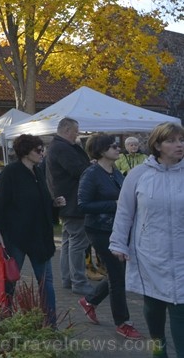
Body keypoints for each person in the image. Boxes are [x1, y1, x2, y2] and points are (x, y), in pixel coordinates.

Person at [110, 122, 184, 357]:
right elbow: (124, 211)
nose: (179, 145)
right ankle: (158, 348)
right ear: (158, 145)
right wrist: (118, 243)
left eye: (181, 139)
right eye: (172, 140)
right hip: (151, 252)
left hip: (182, 253)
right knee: (154, 306)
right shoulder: (139, 174)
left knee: (180, 306)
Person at [0, 134, 64, 327]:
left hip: (39, 236)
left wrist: (54, 204)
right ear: (25, 152)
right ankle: (3, 321)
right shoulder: (10, 173)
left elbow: (40, 201)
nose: (42, 153)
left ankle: (51, 324)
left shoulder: (38, 172)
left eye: (43, 149)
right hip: (16, 236)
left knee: (46, 282)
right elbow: (0, 203)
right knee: (10, 281)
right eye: (38, 150)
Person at [76, 134, 143, 340]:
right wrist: (114, 205)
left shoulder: (115, 172)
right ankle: (122, 322)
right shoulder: (91, 173)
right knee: (117, 276)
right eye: (112, 146)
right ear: (101, 150)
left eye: (116, 145)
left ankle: (90, 301)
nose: (118, 148)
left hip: (118, 229)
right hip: (99, 230)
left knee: (119, 273)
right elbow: (83, 204)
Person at [45, 117, 93, 295]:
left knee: (68, 241)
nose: (77, 134)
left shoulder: (56, 146)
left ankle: (68, 278)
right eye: (75, 131)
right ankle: (78, 281)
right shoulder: (63, 148)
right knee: (77, 243)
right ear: (66, 130)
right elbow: (78, 170)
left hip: (66, 200)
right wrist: (92, 167)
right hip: (73, 201)